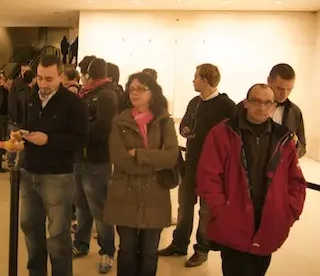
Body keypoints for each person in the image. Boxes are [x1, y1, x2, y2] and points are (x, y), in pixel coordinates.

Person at [196, 83, 306, 276]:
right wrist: (222, 210)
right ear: (246, 103)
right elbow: (208, 176)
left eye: (267, 103)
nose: (261, 107)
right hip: (233, 224)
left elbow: (296, 181)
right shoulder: (222, 133)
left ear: (273, 106)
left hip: (268, 224)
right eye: (256, 101)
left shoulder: (284, 138)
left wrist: (288, 212)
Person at [158, 63, 236, 267]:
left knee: (206, 211)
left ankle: (201, 249)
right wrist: (185, 130)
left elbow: (234, 137)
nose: (193, 80)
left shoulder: (226, 105)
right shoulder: (195, 101)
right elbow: (185, 123)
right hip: (191, 162)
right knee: (185, 205)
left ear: (205, 79)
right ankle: (179, 243)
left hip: (213, 169)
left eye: (196, 77)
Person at [104, 72, 179, 276]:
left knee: (149, 252)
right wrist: (154, 161)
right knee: (127, 249)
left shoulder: (164, 121)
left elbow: (171, 157)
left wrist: (137, 153)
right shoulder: (120, 121)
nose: (134, 93)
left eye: (140, 88)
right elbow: (119, 158)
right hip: (124, 193)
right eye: (132, 89)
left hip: (155, 195)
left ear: (152, 93)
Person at [19, 55, 88, 276]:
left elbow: (80, 139)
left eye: (49, 79)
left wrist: (49, 139)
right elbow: (26, 127)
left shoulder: (74, 103)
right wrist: (20, 140)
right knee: (30, 228)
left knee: (58, 234)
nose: (43, 84)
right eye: (39, 78)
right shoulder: (32, 98)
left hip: (58, 176)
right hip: (29, 172)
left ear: (61, 77)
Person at [72, 57, 118, 274]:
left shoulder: (107, 95)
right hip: (80, 158)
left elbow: (103, 127)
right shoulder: (87, 93)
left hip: (96, 160)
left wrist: (80, 129)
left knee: (99, 209)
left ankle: (107, 251)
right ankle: (80, 244)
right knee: (81, 205)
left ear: (88, 74)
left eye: (82, 72)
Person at [267, 63, 306, 158]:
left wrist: (296, 145)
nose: (284, 94)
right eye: (280, 89)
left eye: (289, 89)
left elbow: (302, 148)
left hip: (281, 170)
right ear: (268, 81)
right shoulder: (247, 106)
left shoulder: (295, 112)